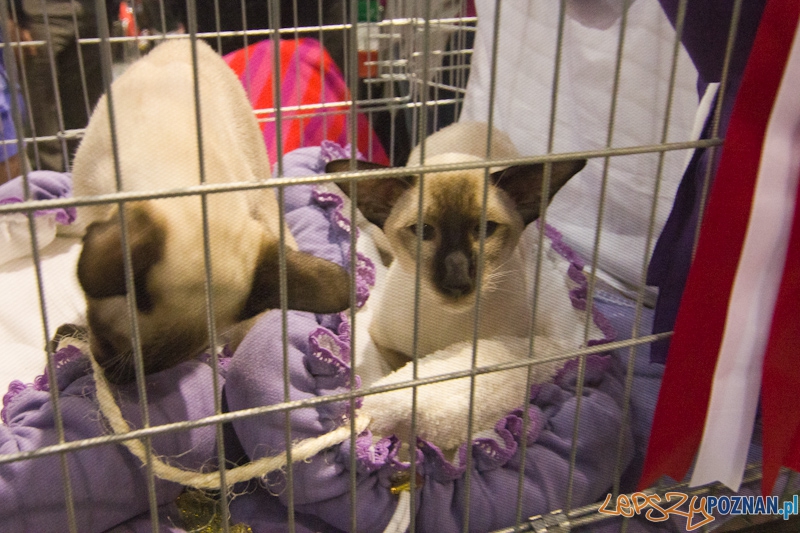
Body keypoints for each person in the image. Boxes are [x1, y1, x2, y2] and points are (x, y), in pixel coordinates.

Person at [21, 0, 103, 172]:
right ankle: (48, 186)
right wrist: (13, 15)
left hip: (95, 13)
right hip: (36, 12)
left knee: (89, 124)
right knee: (42, 129)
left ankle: (85, 185)